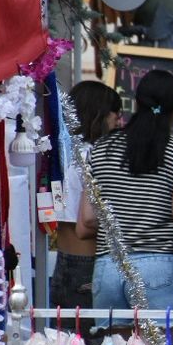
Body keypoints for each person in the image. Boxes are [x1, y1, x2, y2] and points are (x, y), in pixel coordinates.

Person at [79, 70, 173, 311]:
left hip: (109, 267)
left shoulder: (101, 149)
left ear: (136, 103)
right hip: (163, 267)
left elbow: (87, 220)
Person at [52, 80, 122, 311]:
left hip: (63, 258)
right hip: (87, 262)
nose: (119, 123)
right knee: (94, 343)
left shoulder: (62, 153)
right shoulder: (93, 155)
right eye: (116, 115)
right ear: (100, 115)